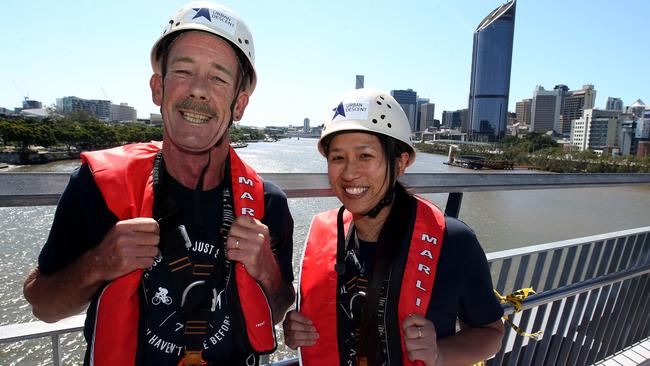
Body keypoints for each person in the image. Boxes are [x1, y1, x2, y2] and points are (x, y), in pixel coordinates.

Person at [23, 2, 295, 365]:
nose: (198, 90)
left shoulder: (267, 204)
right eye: (183, 71)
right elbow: (44, 306)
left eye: (218, 78)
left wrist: (268, 271)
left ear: (239, 104)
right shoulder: (99, 186)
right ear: (158, 88)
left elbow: (276, 311)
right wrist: (99, 262)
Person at [283, 89, 504, 366]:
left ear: (400, 162)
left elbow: (491, 333)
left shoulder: (453, 241)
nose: (349, 173)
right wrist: (295, 332)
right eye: (337, 158)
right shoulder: (328, 238)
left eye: (365, 156)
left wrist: (440, 354)